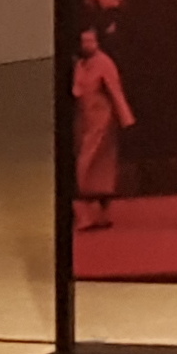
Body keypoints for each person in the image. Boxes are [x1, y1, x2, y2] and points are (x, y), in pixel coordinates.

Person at [71, 29, 133, 231]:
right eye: (84, 41)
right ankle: (95, 215)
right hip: (84, 120)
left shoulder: (104, 63)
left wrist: (126, 119)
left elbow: (116, 91)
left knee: (90, 165)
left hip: (102, 121)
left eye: (91, 40)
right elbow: (77, 90)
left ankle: (90, 215)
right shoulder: (80, 64)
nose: (87, 44)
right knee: (87, 164)